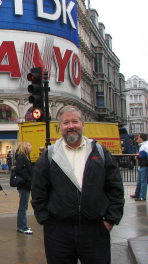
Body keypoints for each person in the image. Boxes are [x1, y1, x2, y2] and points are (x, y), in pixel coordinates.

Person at [31, 105, 124, 264]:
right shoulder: (49, 156)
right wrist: (46, 221)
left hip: (95, 230)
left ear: (82, 124)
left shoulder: (100, 152)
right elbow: (38, 192)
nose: (71, 126)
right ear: (59, 127)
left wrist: (109, 221)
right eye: (66, 123)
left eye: (75, 121)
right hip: (58, 232)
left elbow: (115, 189)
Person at [14, 141, 33, 234]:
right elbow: (19, 169)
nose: (31, 147)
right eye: (29, 145)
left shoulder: (24, 156)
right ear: (25, 147)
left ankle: (21, 225)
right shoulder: (22, 157)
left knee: (23, 205)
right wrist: (29, 178)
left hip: (25, 184)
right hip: (24, 185)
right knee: (23, 206)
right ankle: (22, 226)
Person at [134, 133, 148, 201]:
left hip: (144, 165)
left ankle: (142, 196)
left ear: (141, 138)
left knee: (143, 181)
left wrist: (138, 156)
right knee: (140, 181)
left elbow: (143, 155)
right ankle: (138, 194)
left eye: (138, 137)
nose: (137, 139)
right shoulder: (143, 145)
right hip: (142, 165)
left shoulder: (145, 146)